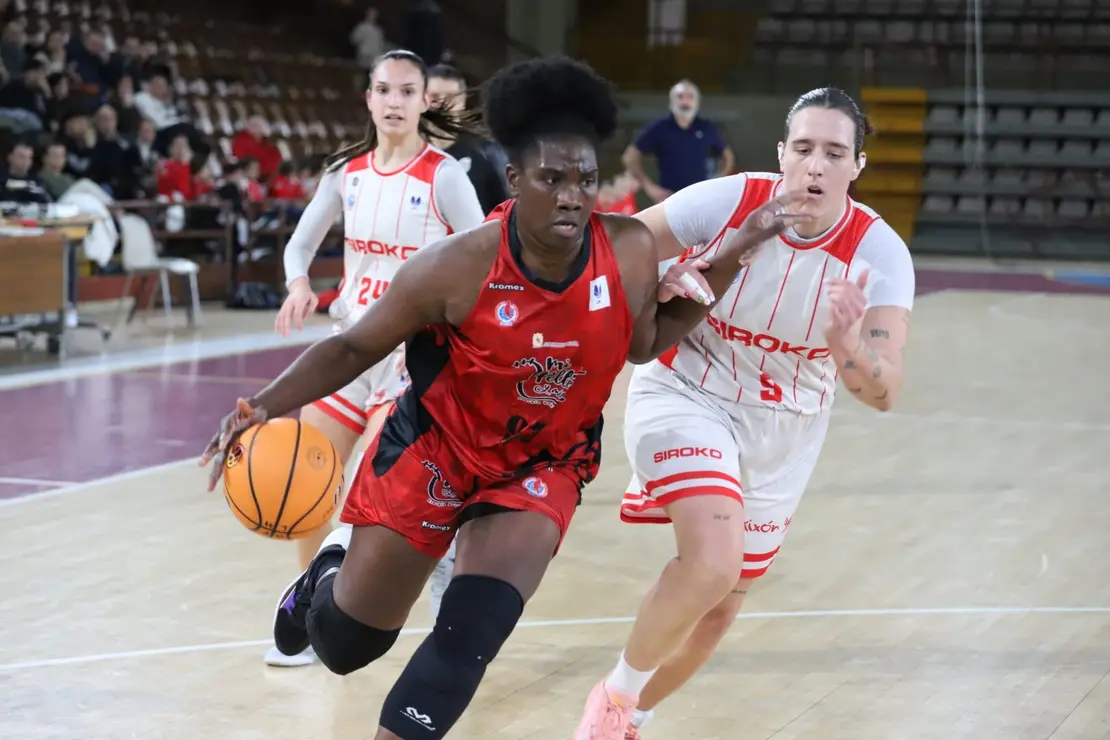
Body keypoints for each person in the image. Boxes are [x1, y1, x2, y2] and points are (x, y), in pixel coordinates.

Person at [200, 55, 808, 740]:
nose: (573, 195)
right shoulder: (456, 266)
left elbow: (644, 343)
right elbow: (350, 348)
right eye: (552, 178)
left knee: (469, 639)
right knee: (347, 646)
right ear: (515, 181)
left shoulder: (631, 250)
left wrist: (737, 252)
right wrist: (263, 406)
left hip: (543, 468)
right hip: (436, 449)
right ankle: (322, 578)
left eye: (584, 178)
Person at [573, 87, 917, 739]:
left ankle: (632, 719)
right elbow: (620, 250)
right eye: (805, 149)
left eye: (835, 153)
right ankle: (611, 703)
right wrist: (655, 287)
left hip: (785, 431)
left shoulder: (879, 257)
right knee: (711, 561)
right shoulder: (727, 202)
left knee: (719, 610)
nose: (817, 165)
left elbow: (884, 390)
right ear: (782, 153)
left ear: (857, 167)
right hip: (685, 391)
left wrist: (847, 348)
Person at [265, 48, 486, 668]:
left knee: (369, 482)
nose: (394, 101)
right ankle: (308, 605)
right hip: (349, 348)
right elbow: (301, 241)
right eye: (383, 90)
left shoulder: (444, 176)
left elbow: (483, 256)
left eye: (406, 91)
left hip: (411, 355)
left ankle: (349, 597)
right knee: (308, 479)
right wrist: (298, 283)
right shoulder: (347, 171)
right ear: (369, 98)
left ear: (423, 102)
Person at [621, 79, 734, 204]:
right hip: (668, 199)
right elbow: (629, 156)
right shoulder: (659, 127)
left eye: (690, 97)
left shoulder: (706, 127)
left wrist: (718, 181)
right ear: (671, 102)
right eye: (680, 97)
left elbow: (728, 155)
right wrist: (649, 186)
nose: (685, 102)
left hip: (700, 197)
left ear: (697, 102)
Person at [425, 63, 510, 214]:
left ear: (463, 100)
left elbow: (500, 222)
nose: (443, 105)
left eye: (451, 98)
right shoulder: (400, 158)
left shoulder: (483, 162)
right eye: (434, 97)